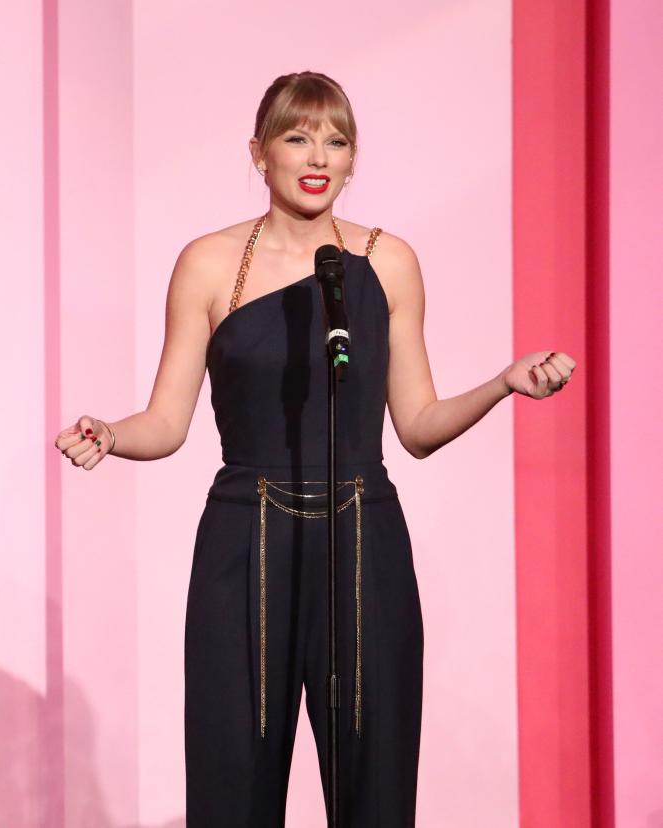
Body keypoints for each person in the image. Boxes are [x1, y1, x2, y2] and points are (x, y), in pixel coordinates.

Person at [54, 71, 575, 826]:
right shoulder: (207, 262)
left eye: (336, 139)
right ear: (259, 153)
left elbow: (419, 425)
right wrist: (110, 433)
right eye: (297, 136)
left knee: (376, 793)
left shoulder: (386, 261)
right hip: (245, 545)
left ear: (353, 158)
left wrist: (502, 383)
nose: (317, 154)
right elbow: (166, 423)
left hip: (364, 542)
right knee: (234, 789)